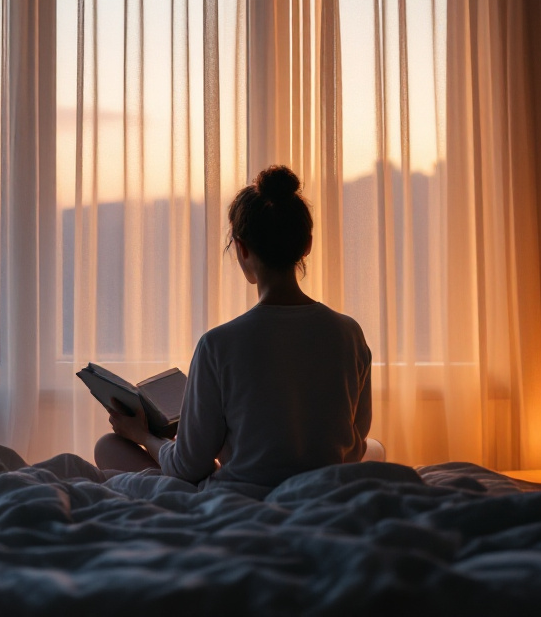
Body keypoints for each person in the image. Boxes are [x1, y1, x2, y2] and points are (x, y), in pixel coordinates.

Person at [94, 165, 372, 489]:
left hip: (244, 493)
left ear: (241, 248)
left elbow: (187, 467)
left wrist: (141, 434)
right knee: (375, 448)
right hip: (324, 485)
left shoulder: (218, 344)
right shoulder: (349, 333)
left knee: (108, 447)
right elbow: (354, 443)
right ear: (307, 244)